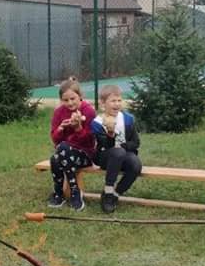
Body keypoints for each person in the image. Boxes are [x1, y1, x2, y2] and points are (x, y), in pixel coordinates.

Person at [90, 84, 141, 213]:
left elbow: (136, 142)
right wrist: (111, 134)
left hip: (123, 154)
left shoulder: (128, 119)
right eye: (113, 101)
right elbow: (105, 146)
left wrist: (123, 146)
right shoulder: (97, 122)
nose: (117, 104)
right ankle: (108, 191)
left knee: (135, 164)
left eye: (119, 100)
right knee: (118, 152)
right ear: (103, 103)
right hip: (105, 157)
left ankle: (115, 195)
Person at [48, 77, 96, 211]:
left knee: (60, 151)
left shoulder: (89, 111)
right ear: (61, 100)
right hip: (64, 153)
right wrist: (60, 129)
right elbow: (55, 139)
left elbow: (89, 141)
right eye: (65, 100)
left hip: (85, 154)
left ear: (80, 96)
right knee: (56, 157)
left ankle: (73, 191)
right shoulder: (59, 112)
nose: (69, 103)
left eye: (73, 98)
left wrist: (78, 128)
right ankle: (61, 192)